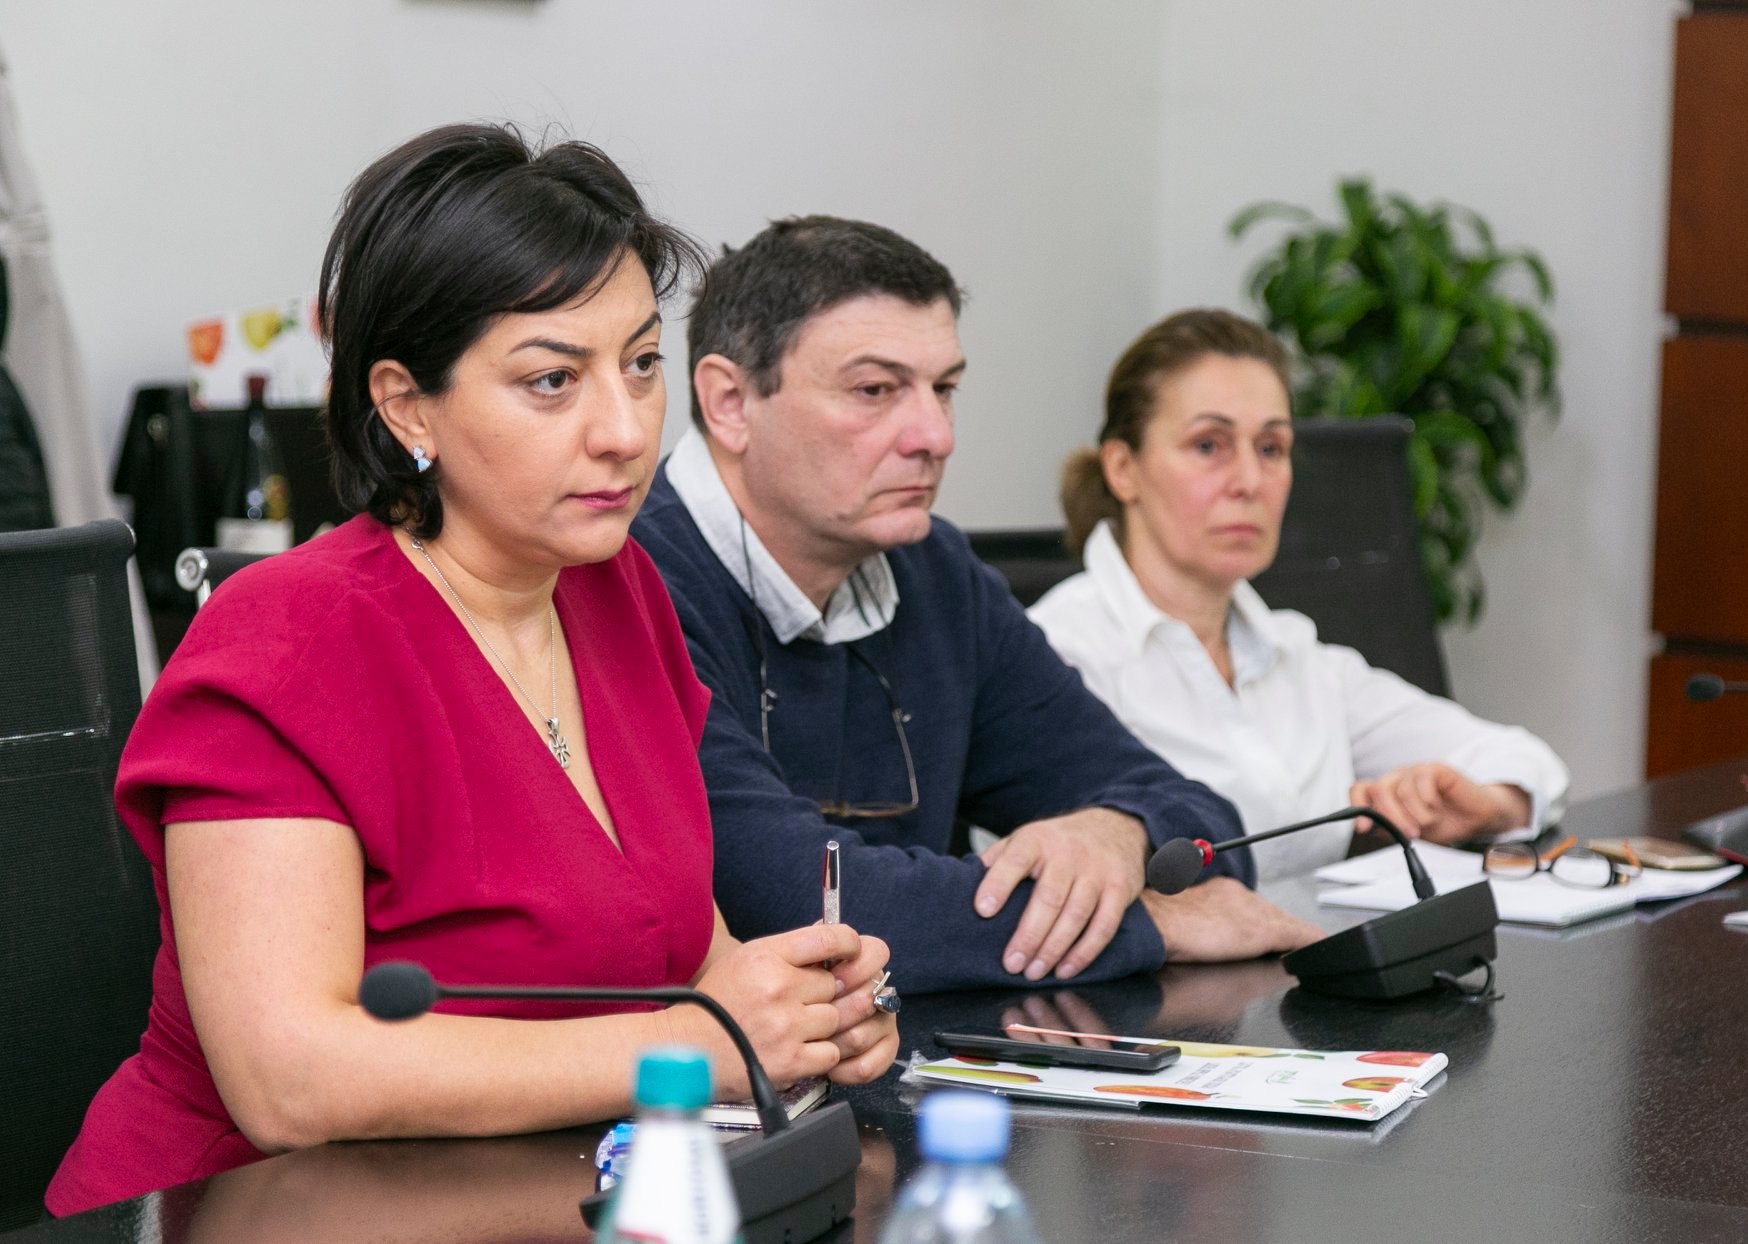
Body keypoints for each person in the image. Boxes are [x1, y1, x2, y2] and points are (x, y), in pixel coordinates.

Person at [47, 126, 896, 1216]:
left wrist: (797, 1014)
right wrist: (697, 1046)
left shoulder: (618, 589)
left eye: (641, 364)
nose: (624, 430)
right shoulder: (285, 642)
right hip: (250, 1210)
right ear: (407, 406)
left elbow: (690, 960)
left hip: (525, 1198)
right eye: (553, 380)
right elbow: (289, 1079)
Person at [632, 217, 1319, 997]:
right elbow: (788, 903)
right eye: (874, 390)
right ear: (729, 402)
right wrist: (1150, 925)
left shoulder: (934, 571)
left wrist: (1120, 833)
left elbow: (1201, 825)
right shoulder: (627, 582)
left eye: (944, 389)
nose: (935, 436)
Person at [1030, 308, 1569, 881]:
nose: (1249, 481)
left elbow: (1527, 761)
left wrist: (1483, 804)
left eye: (1271, 448)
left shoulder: (1296, 656)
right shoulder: (1055, 657)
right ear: (1122, 468)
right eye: (1208, 445)